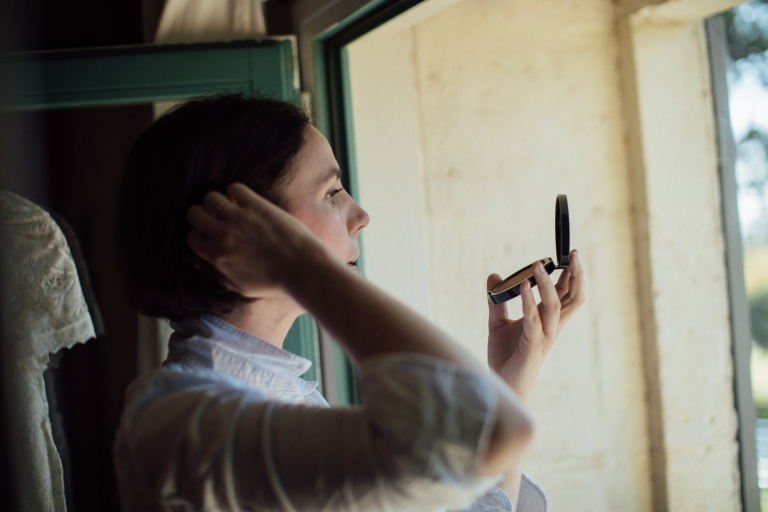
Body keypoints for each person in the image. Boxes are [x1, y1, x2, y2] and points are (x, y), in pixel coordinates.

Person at [113, 94, 585, 512]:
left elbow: (479, 456)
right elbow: (486, 429)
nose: (361, 215)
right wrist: (299, 264)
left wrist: (509, 377)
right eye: (332, 193)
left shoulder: (282, 397)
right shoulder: (179, 424)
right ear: (244, 224)